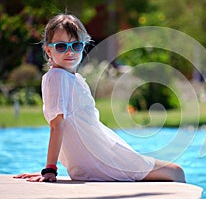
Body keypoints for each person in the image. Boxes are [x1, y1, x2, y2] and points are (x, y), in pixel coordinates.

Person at [14, 14, 186, 183]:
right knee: (176, 172)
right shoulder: (58, 77)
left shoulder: (70, 78)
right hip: (100, 159)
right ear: (48, 50)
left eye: (76, 45)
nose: (70, 52)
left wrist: (51, 167)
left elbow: (72, 130)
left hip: (99, 156)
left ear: (84, 46)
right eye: (61, 46)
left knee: (172, 172)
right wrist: (50, 169)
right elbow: (57, 125)